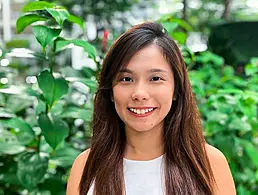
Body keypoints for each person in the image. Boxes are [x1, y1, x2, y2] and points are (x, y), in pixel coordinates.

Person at [66, 21, 236, 195]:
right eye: (126, 79)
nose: (139, 93)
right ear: (110, 91)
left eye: (155, 78)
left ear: (176, 89)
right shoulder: (86, 165)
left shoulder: (209, 164)